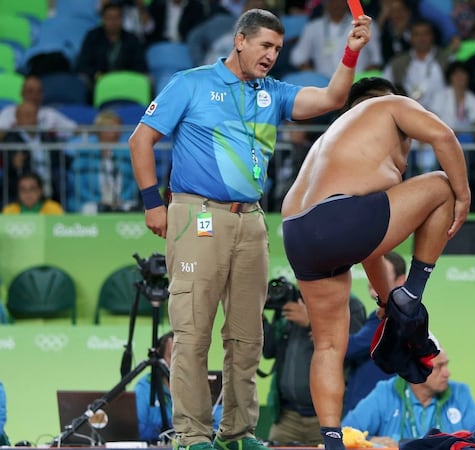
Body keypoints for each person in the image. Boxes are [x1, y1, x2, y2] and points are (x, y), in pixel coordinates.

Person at [128, 8, 373, 450]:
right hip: (198, 215)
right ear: (240, 40)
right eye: (264, 46)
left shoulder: (272, 93)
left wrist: (350, 52)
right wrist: (152, 203)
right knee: (193, 331)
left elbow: (333, 98)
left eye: (277, 49)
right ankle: (191, 435)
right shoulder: (191, 83)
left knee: (247, 335)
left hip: (251, 221)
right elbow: (140, 139)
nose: (271, 56)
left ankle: (237, 433)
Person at [280, 77, 470, 450]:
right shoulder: (392, 106)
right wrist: (463, 196)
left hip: (297, 232)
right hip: (340, 219)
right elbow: (445, 137)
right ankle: (413, 293)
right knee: (443, 184)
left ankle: (332, 440)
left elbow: (369, 247)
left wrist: (386, 303)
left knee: (329, 347)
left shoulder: (333, 141)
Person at [262, 280, 366, 446]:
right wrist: (257, 315)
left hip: (327, 418)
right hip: (287, 417)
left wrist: (310, 322)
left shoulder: (348, 304)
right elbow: (269, 350)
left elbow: (350, 351)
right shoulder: (290, 300)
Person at [342, 344, 475, 447]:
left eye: (446, 365)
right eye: (438, 367)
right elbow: (345, 433)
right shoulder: (386, 392)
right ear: (417, 370)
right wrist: (370, 441)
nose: (447, 373)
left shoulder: (459, 393)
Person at [342, 251, 406, 415]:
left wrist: (314, 325)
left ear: (401, 281)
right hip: (367, 411)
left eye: (382, 272)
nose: (374, 278)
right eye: (372, 272)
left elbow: (348, 348)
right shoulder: (379, 315)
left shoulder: (396, 316)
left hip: (377, 415)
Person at [135, 332, 223, 444]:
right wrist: (177, 425)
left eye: (184, 357)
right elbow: (138, 430)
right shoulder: (144, 386)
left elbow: (220, 419)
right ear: (160, 360)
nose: (179, 363)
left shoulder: (198, 383)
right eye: (172, 356)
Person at [68, 110, 139, 213]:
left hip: (121, 202)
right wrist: (98, 202)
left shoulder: (126, 154)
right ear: (101, 130)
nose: (118, 132)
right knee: (89, 209)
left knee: (132, 207)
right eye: (113, 128)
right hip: (91, 203)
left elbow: (133, 183)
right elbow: (79, 186)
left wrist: (121, 199)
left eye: (119, 128)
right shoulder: (85, 154)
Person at [290, 0, 383, 78]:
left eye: (341, 1)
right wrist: (313, 77)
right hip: (324, 86)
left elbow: (376, 60)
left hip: (357, 83)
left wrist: (361, 82)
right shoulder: (313, 27)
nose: (337, 3)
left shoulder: (364, 25)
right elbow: (298, 57)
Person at [1, 101, 67, 208]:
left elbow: (60, 157)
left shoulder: (46, 137)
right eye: (26, 115)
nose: (31, 118)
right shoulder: (10, 139)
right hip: (20, 190)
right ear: (17, 119)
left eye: (33, 115)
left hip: (49, 187)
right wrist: (14, 164)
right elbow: (8, 163)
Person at [76, 2, 148, 94]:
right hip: (97, 81)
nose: (113, 22)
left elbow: (141, 66)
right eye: (109, 18)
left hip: (126, 81)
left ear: (122, 19)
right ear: (103, 19)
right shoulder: (92, 37)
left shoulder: (132, 39)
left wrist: (126, 76)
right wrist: (95, 74)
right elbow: (83, 63)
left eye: (116, 18)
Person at [0, 75, 77, 140]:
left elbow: (77, 130)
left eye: (38, 92)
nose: (34, 96)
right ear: (22, 93)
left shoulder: (50, 114)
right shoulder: (9, 112)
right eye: (30, 91)